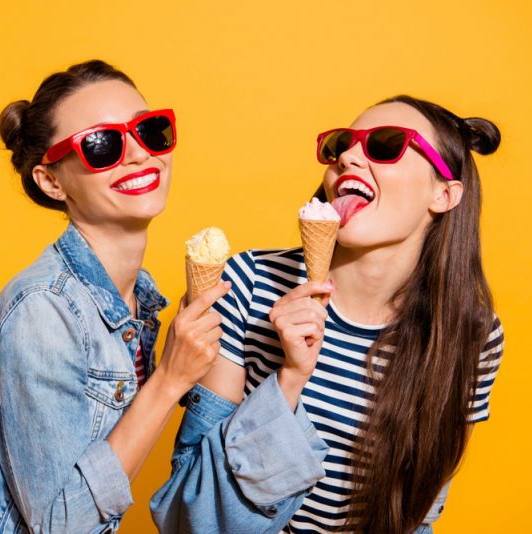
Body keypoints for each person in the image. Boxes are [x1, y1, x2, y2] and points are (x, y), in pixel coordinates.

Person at [151, 95, 504, 534]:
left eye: (387, 145)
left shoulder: (470, 333)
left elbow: (418, 511)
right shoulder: (248, 283)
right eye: (341, 145)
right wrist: (290, 379)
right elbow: (194, 515)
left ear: (444, 194)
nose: (349, 157)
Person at [0, 59, 230, 533]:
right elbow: (58, 525)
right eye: (101, 145)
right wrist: (169, 378)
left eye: (148, 130)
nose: (136, 154)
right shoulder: (43, 308)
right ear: (51, 181)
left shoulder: (135, 304)